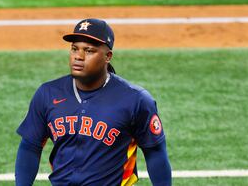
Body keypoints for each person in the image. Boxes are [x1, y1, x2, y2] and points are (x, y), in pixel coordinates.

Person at [15, 18, 172, 186]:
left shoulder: (135, 99)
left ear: (107, 56)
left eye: (89, 51)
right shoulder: (48, 93)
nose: (79, 57)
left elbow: (155, 152)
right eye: (74, 49)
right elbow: (30, 147)